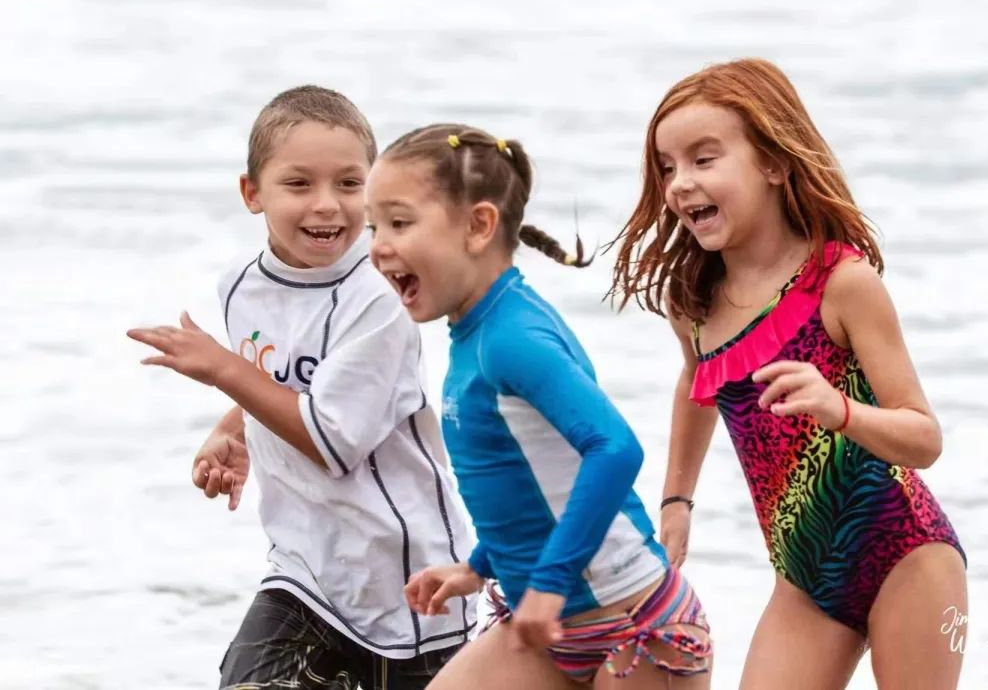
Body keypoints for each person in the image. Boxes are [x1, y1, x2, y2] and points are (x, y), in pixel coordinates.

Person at [608, 58, 968, 689]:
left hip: (908, 555)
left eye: (703, 159)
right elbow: (696, 387)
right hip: (803, 579)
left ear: (774, 163)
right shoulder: (694, 302)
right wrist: (676, 501)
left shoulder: (841, 282)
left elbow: (924, 438)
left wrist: (839, 409)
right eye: (667, 167)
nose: (681, 183)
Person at [127, 86, 475, 689]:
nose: (327, 205)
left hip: (408, 582)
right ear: (252, 193)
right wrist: (234, 427)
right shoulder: (239, 285)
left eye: (349, 183)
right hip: (304, 569)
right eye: (298, 184)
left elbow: (334, 443)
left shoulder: (379, 297)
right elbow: (279, 374)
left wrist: (222, 369)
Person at [364, 123, 713, 690]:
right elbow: (539, 482)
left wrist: (549, 584)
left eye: (399, 223)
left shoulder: (513, 336)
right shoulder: (476, 333)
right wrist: (479, 566)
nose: (378, 245)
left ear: (479, 226)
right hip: (547, 627)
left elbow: (615, 449)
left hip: (636, 627)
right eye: (373, 227)